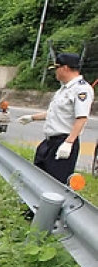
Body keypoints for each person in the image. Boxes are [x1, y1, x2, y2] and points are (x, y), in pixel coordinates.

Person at [18, 53, 95, 184]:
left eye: (56, 68)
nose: (55, 72)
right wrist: (32, 118)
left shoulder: (81, 89)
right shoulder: (63, 89)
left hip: (63, 142)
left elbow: (81, 118)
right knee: (38, 176)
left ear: (65, 68)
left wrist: (69, 142)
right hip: (50, 142)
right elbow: (55, 113)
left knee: (55, 183)